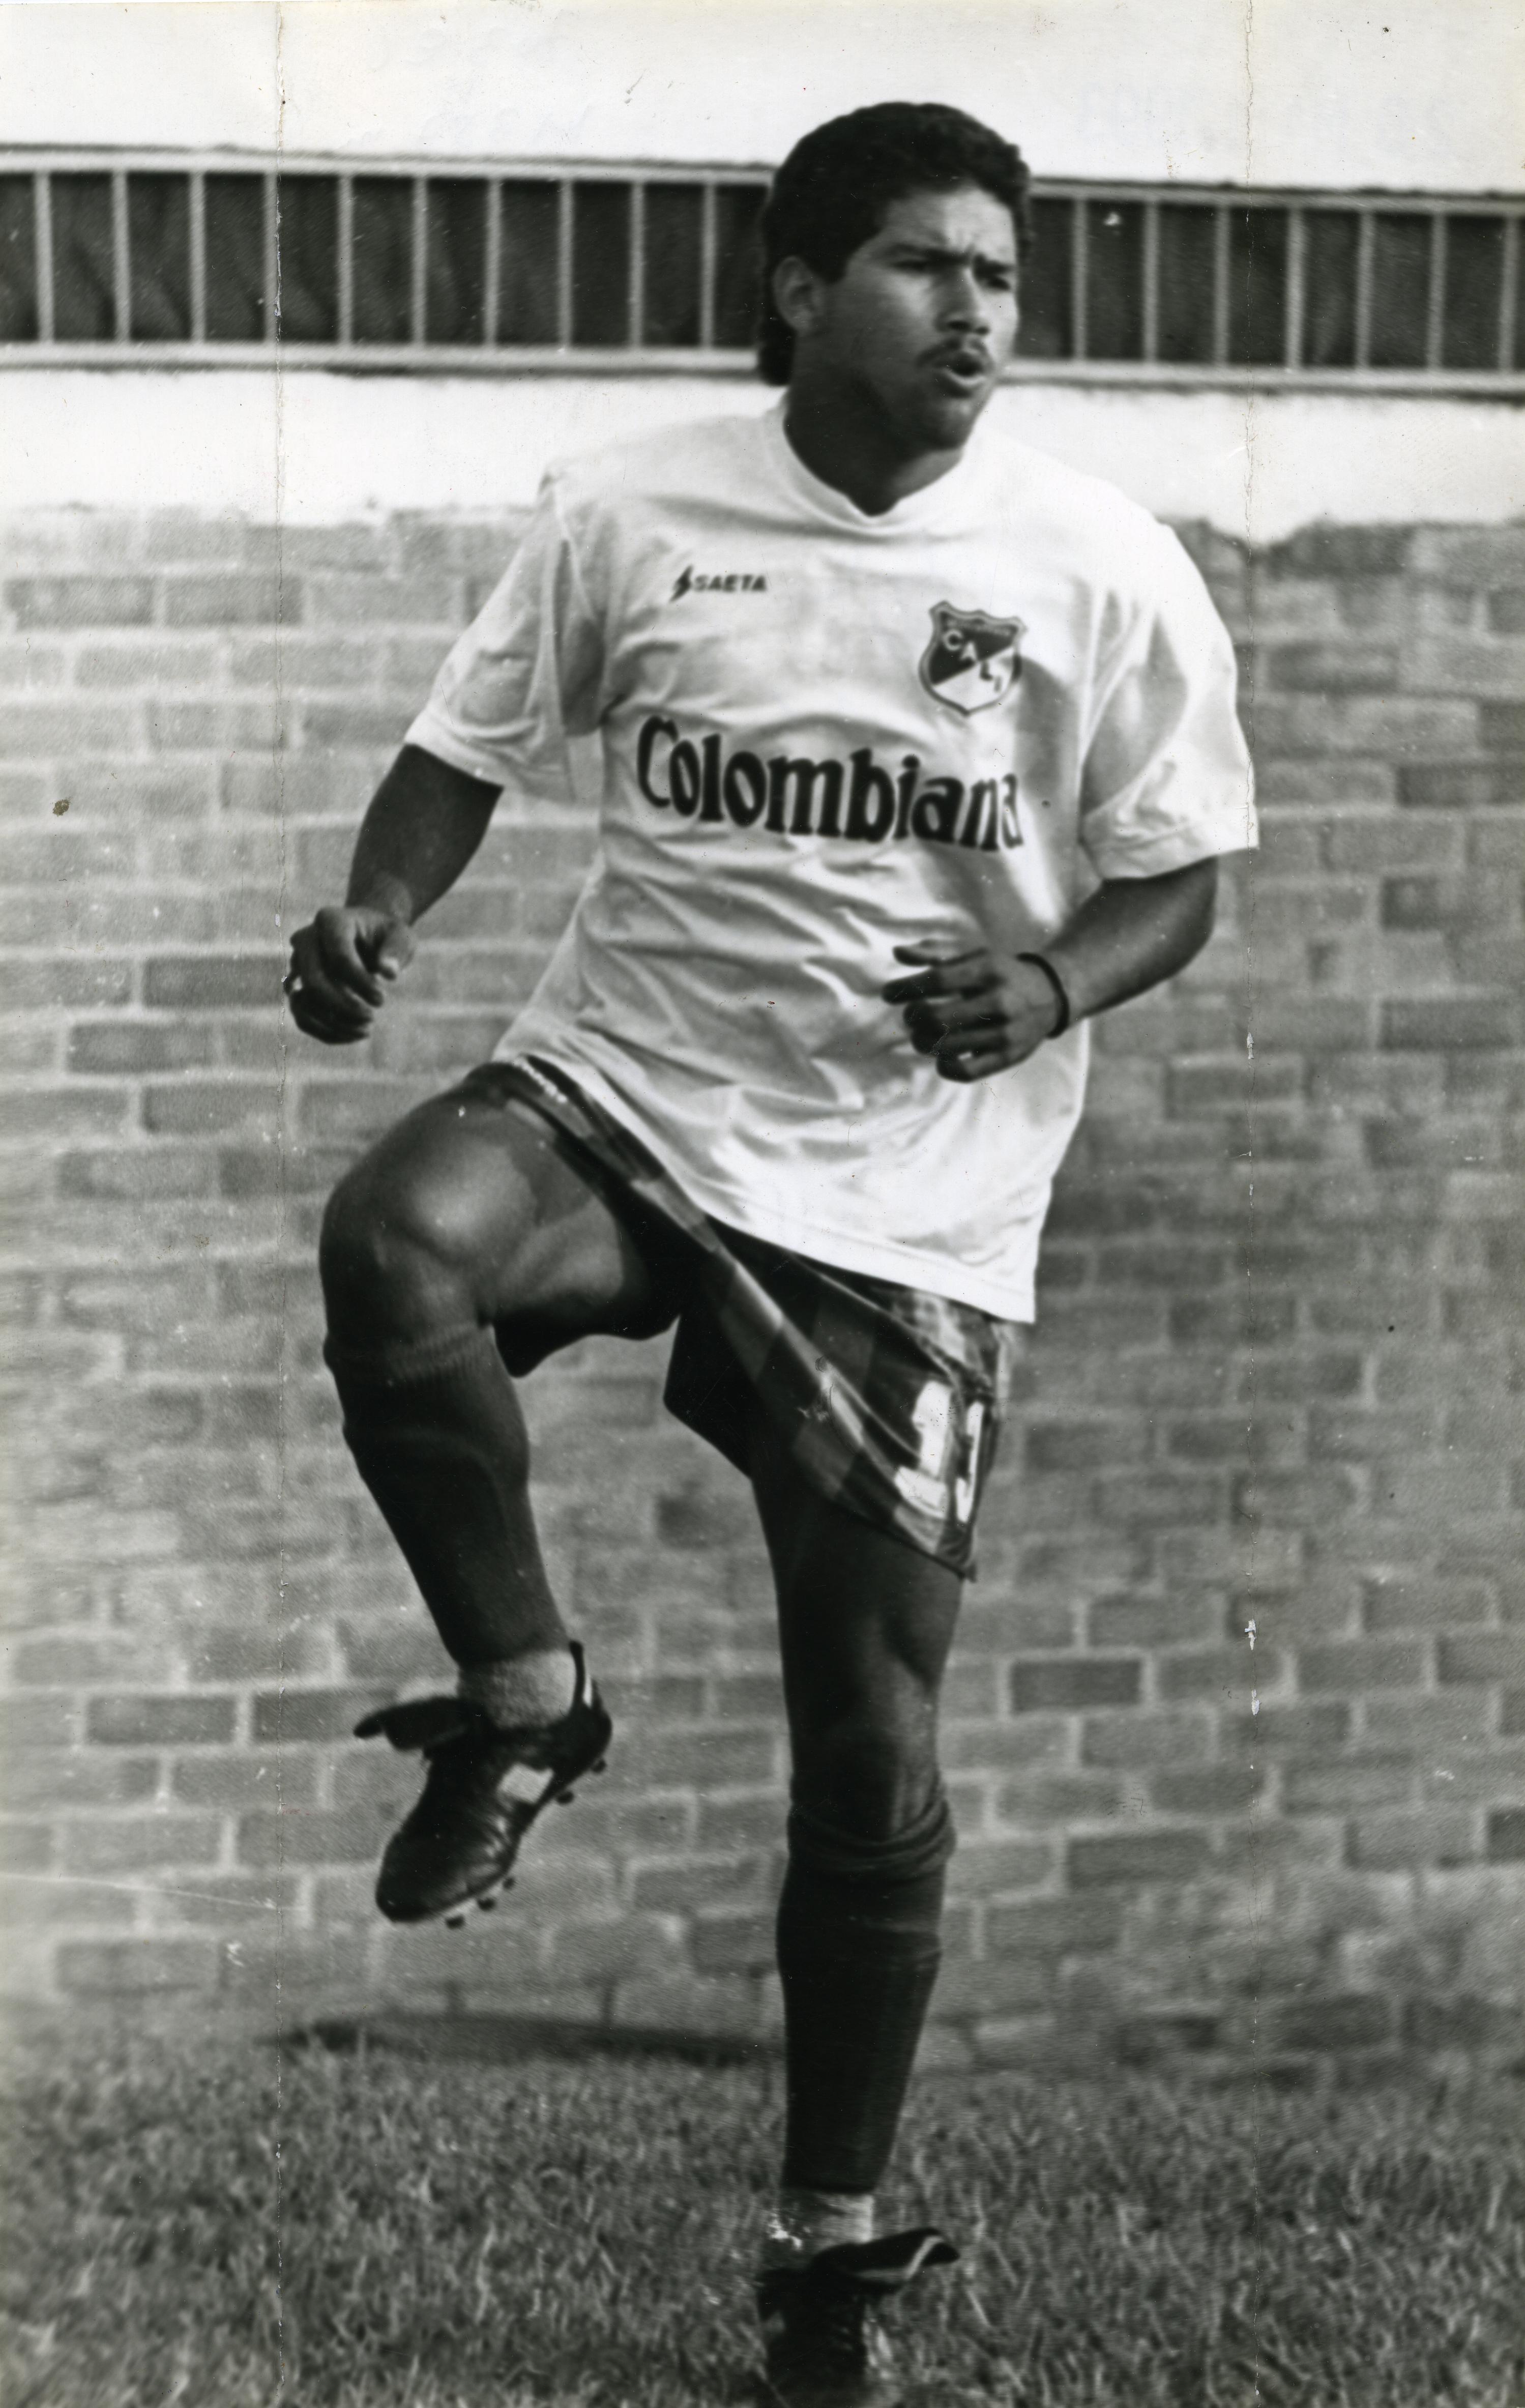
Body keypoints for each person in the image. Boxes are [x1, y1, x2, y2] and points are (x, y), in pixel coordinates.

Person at [284, 100, 1255, 2408]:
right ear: (805, 289)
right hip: (632, 1090)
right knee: (400, 1240)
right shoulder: (636, 513)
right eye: (926, 267)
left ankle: (829, 2248)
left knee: (870, 1736)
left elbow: (1184, 872)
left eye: (1002, 276)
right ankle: (525, 1698)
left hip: (908, 1191)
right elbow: (464, 745)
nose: (977, 315)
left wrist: (1047, 985)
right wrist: (380, 908)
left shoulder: (1098, 561)